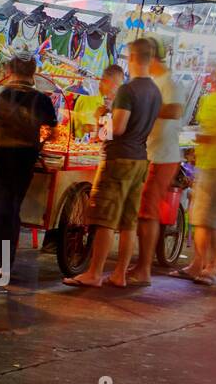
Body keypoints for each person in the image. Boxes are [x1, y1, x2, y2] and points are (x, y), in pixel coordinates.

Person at [64, 38, 161, 288]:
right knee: (128, 221)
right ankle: (120, 274)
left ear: (132, 58)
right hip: (140, 159)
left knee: (104, 217)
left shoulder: (128, 91)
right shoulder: (155, 91)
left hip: (118, 158)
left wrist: (102, 119)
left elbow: (116, 128)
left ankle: (94, 273)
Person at [0, 49, 56, 280]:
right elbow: (52, 132)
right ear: (33, 73)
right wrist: (40, 139)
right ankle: (5, 264)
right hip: (25, 157)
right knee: (13, 207)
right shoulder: (42, 99)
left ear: (10, 70)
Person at [176, 59, 216, 285]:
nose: (208, 76)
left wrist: (201, 138)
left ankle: (212, 265)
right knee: (200, 218)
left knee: (207, 219)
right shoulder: (208, 99)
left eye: (212, 72)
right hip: (205, 164)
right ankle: (198, 264)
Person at [128, 39, 184, 287]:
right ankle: (140, 264)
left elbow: (175, 111)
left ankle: (144, 269)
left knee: (148, 213)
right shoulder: (153, 83)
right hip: (148, 152)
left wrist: (146, 108)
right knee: (142, 212)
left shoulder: (169, 83)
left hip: (161, 156)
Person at [71, 64, 124, 140]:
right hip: (79, 147)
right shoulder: (91, 96)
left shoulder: (103, 100)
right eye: (116, 85)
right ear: (106, 81)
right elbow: (92, 132)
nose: (117, 90)